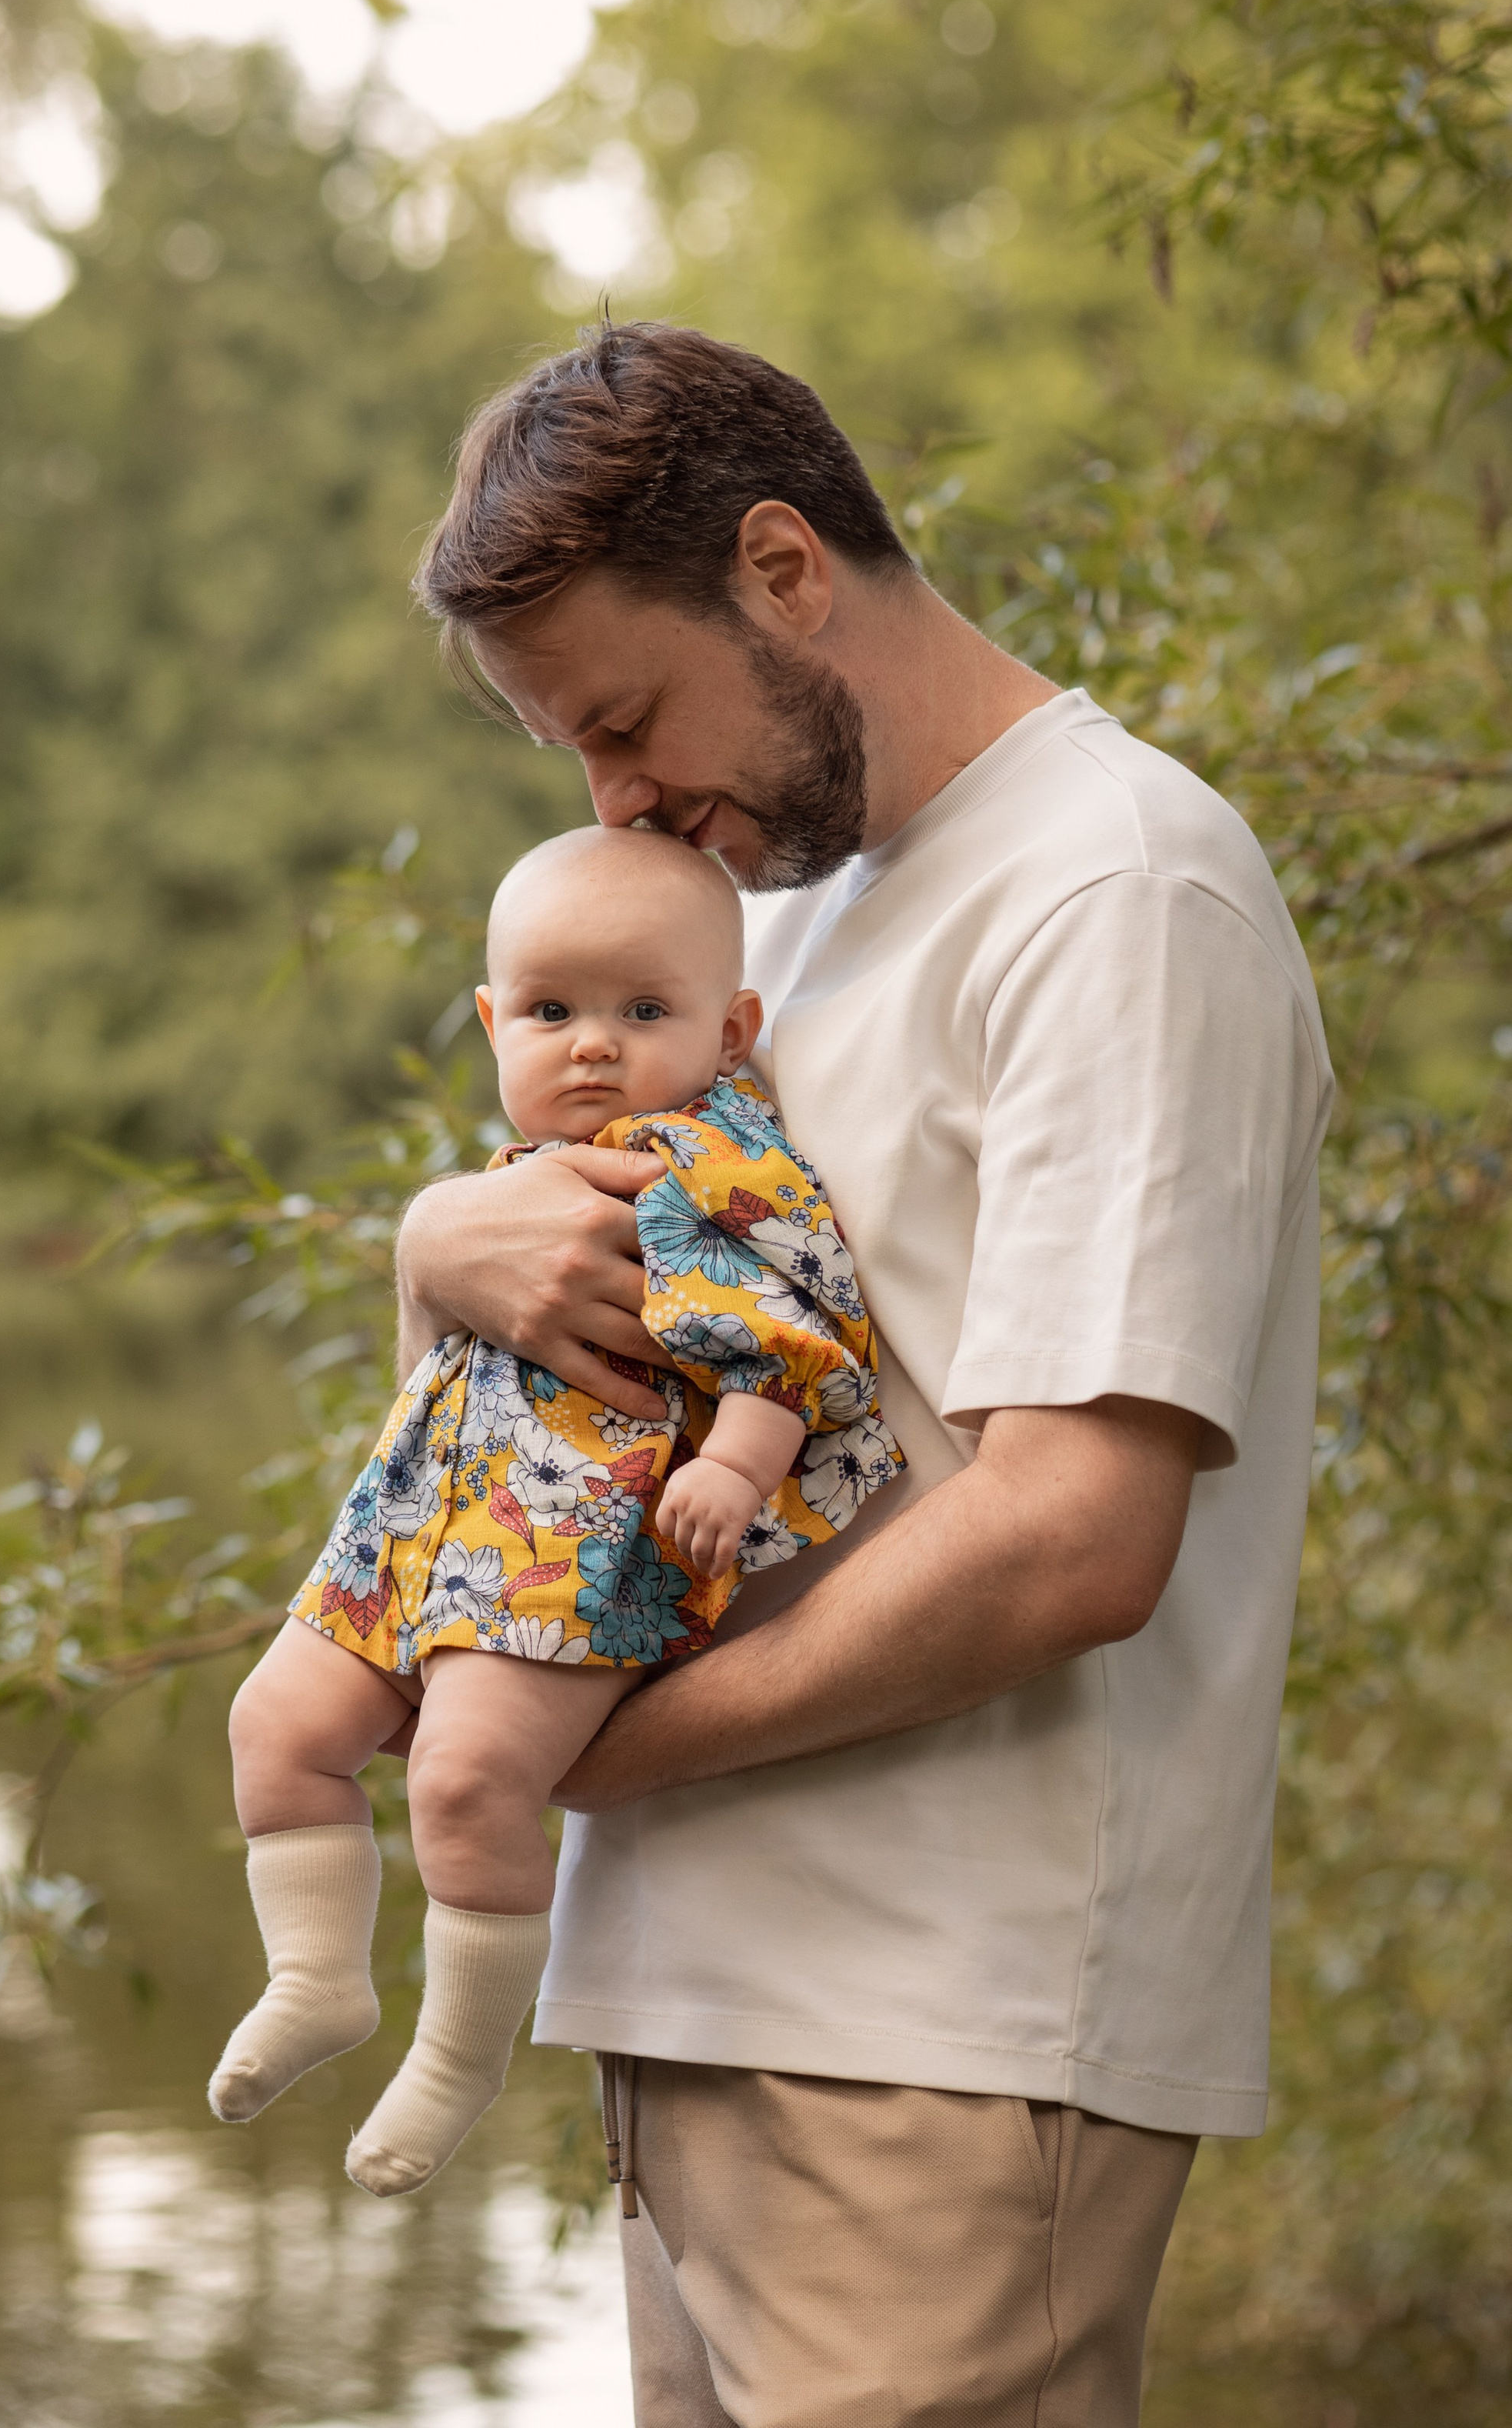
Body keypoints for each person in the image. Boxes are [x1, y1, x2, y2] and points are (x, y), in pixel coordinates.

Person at [395, 322, 1333, 2427]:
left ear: (786, 569)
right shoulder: (767, 916)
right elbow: (574, 1382)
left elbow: (1074, 1535)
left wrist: (595, 1752)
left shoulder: (1117, 888)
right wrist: (436, 1248)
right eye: (577, 762)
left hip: (944, 2053)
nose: (619, 805)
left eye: (626, 721)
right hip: (699, 2016)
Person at [212, 825, 901, 2196]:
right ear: (490, 1021)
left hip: (571, 1554)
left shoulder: (715, 1169)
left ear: (733, 1021)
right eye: (551, 1012)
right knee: (274, 1726)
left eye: (644, 1011)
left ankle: (459, 2057)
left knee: (468, 1782)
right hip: (416, 1531)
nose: (592, 1045)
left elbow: (797, 1345)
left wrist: (733, 1464)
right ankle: (316, 1976)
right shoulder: (508, 1173)